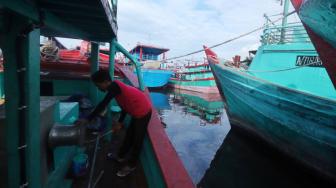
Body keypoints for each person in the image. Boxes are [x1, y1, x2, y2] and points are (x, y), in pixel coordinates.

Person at [76, 70, 152, 177]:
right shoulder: (116, 89)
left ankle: (131, 165)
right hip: (135, 111)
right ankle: (120, 156)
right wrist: (120, 122)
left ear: (106, 81)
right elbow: (125, 106)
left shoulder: (114, 87)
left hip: (143, 112)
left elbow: (103, 103)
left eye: (98, 85)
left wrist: (87, 119)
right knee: (129, 135)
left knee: (137, 140)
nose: (98, 88)